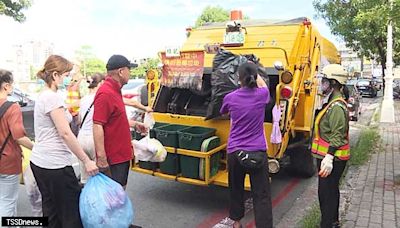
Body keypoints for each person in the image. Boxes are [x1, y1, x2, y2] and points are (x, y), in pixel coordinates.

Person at [30, 55, 98, 228]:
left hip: (40, 162)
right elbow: (65, 133)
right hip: (55, 165)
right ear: (55, 75)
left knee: (51, 211)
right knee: (70, 214)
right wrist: (86, 160)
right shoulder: (52, 98)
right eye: (66, 74)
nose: (68, 78)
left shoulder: (45, 95)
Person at [219, 62, 273, 228]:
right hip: (258, 152)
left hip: (236, 152)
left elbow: (223, 112)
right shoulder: (262, 95)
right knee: (262, 194)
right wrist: (257, 74)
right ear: (255, 77)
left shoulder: (230, 98)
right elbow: (264, 86)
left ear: (238, 79)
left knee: (236, 190)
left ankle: (236, 223)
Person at [93, 54, 147, 190]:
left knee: (118, 195)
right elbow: (98, 124)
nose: (130, 73)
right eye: (129, 69)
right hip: (114, 157)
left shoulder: (115, 90)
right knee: (113, 196)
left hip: (121, 155)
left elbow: (115, 119)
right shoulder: (106, 93)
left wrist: (135, 124)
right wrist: (101, 157)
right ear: (121, 71)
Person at [311, 65, 350, 228]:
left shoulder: (336, 107)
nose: (322, 84)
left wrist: (329, 157)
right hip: (329, 158)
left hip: (331, 159)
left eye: (325, 81)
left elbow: (338, 134)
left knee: (326, 195)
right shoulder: (331, 102)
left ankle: (327, 224)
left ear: (333, 82)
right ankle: (333, 223)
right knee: (331, 192)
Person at [0, 69, 34, 217]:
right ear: (6, 86)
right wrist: (37, 148)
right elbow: (19, 136)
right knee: (7, 202)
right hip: (7, 161)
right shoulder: (12, 107)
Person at [77, 73, 105, 185]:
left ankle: (85, 200)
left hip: (81, 139)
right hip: (94, 139)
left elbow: (79, 120)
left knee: (85, 178)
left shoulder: (83, 99)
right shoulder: (101, 98)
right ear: (101, 83)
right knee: (98, 175)